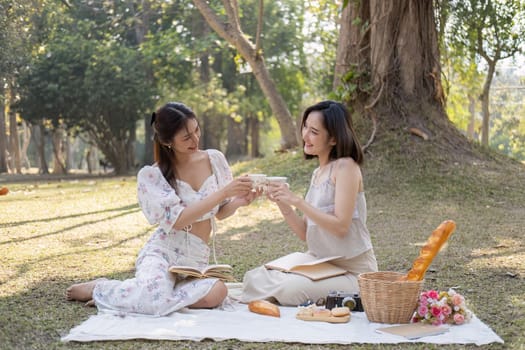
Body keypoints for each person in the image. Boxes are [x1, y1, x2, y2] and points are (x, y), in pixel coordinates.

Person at [66, 102, 259, 316]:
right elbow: (178, 220)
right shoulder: (153, 176)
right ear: (167, 141)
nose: (195, 140)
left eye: (196, 130)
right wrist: (223, 193)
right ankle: (101, 288)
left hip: (195, 261)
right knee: (155, 301)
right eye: (186, 137)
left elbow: (219, 212)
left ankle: (140, 293)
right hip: (163, 252)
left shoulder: (215, 159)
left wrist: (240, 201)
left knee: (218, 293)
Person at [240, 100, 378, 306]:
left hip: (352, 272)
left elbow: (341, 227)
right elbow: (305, 233)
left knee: (288, 290)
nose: (305, 135)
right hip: (319, 264)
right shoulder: (318, 174)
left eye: (314, 131)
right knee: (254, 277)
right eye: (305, 127)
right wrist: (283, 203)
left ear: (333, 138)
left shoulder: (346, 167)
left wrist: (297, 200)